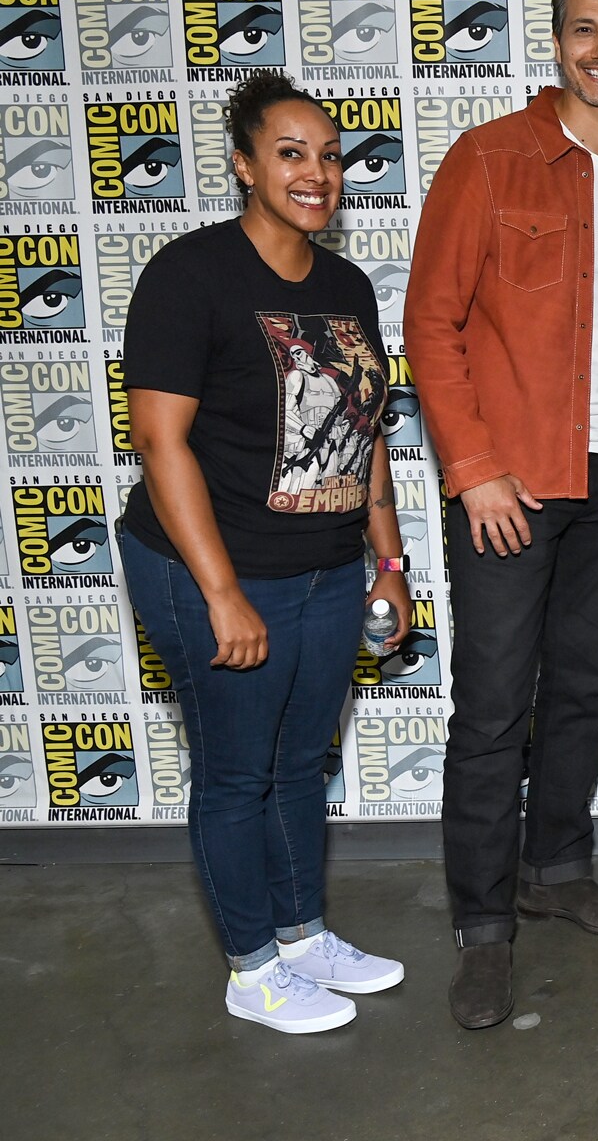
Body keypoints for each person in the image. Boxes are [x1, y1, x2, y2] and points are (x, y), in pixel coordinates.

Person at [405, 0, 598, 1030]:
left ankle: (556, 865)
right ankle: (483, 926)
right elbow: (431, 322)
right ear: (555, 42)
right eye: (583, 30)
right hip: (511, 483)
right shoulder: (488, 159)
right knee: (493, 705)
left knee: (586, 687)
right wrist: (472, 469)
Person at [119, 71, 408, 1034]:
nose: (317, 173)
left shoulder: (346, 285)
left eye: (329, 156)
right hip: (212, 568)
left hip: (328, 568)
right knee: (237, 772)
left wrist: (390, 563)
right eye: (291, 154)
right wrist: (220, 594)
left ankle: (301, 935)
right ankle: (251, 967)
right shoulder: (190, 275)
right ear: (245, 165)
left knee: (296, 765)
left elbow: (364, 436)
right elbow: (161, 444)